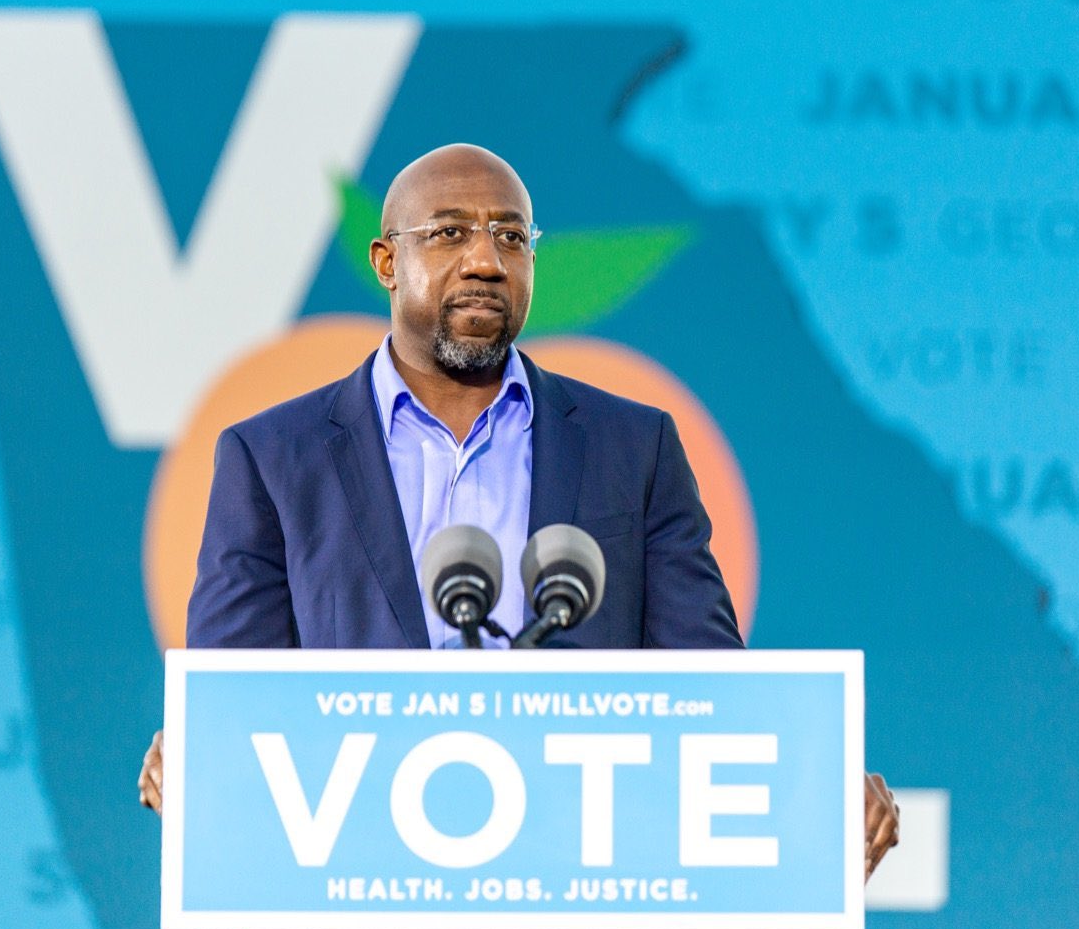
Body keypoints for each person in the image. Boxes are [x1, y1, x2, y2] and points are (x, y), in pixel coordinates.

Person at [138, 144, 898, 880]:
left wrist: (810, 785)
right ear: (385, 261)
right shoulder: (274, 456)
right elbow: (233, 689)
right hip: (355, 893)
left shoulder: (632, 448)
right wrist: (201, 744)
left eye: (510, 237)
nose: (485, 261)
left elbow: (707, 685)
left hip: (578, 891)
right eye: (449, 234)